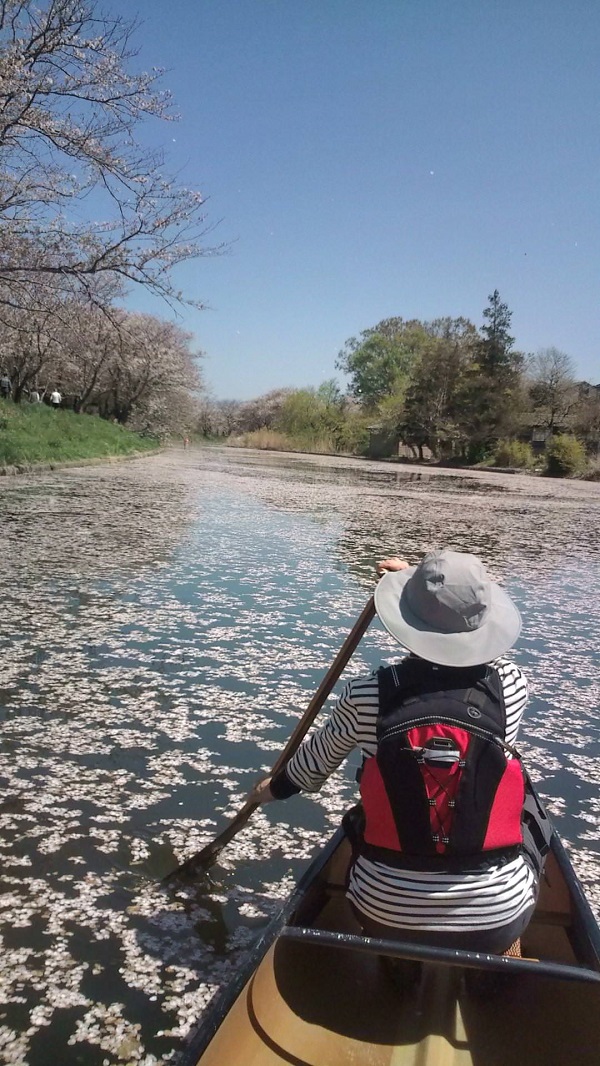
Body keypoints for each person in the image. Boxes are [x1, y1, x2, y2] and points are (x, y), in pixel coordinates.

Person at [250, 549, 548, 955]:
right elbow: (482, 656)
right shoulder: (512, 688)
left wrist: (271, 789)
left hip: (381, 911)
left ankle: (396, 967)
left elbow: (308, 770)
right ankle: (498, 956)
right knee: (523, 796)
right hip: (496, 918)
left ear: (406, 622)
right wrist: (428, 591)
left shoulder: (367, 695)